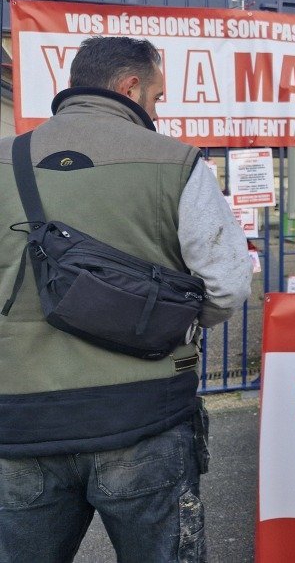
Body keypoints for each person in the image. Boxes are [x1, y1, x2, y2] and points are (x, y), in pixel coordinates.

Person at [0, 36, 252, 562]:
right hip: (145, 417)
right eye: (158, 97)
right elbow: (227, 286)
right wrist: (160, 324)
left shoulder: (6, 159)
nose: (158, 109)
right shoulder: (178, 163)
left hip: (18, 423)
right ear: (131, 87)